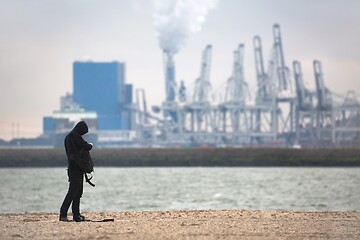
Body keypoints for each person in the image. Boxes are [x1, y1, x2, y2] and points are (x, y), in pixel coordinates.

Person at [59, 121, 93, 222]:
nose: (83, 134)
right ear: (81, 129)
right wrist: (90, 145)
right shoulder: (75, 135)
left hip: (74, 168)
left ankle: (76, 215)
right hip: (75, 168)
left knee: (77, 192)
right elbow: (87, 146)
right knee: (73, 192)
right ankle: (63, 214)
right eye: (84, 132)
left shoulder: (68, 137)